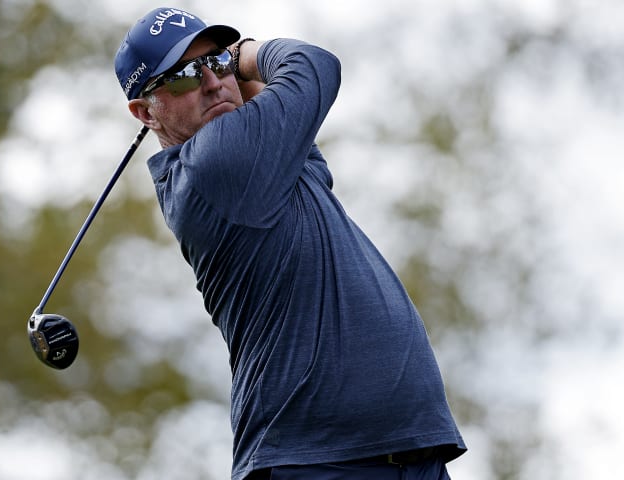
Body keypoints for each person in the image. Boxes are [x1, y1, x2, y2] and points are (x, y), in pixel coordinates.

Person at [114, 7, 466, 480]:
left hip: (403, 455)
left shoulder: (260, 161)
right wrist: (242, 56)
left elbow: (277, 109)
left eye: (216, 63)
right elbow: (313, 64)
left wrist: (231, 75)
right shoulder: (216, 165)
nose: (213, 83)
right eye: (183, 78)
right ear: (144, 112)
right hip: (315, 463)